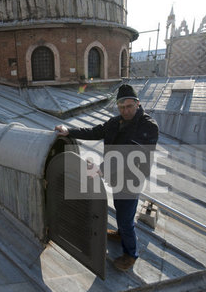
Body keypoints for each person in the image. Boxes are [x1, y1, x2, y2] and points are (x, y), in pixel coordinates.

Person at [55, 84, 159, 271]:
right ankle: (121, 234)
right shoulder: (116, 122)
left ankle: (130, 255)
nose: (125, 111)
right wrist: (69, 131)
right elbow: (94, 132)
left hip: (131, 179)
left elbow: (131, 157)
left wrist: (101, 170)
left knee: (126, 218)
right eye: (121, 107)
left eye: (129, 106)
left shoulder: (148, 126)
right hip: (116, 177)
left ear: (138, 103)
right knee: (120, 209)